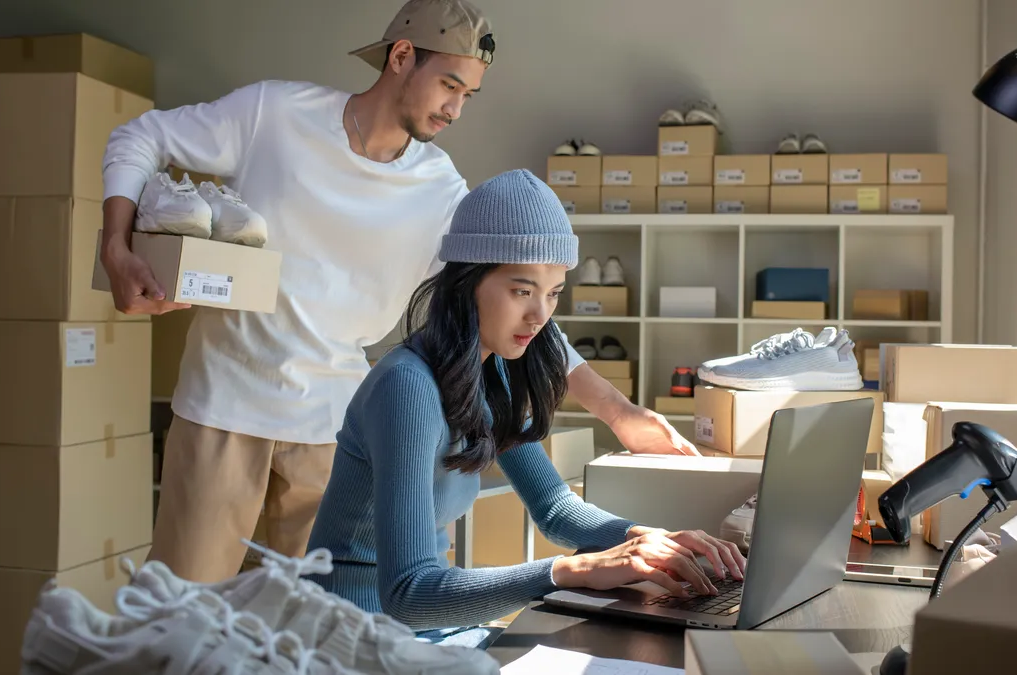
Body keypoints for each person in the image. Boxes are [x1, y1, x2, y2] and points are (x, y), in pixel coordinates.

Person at [99, 0, 698, 584]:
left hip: (333, 432)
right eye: (449, 85)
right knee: (177, 621)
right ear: (402, 56)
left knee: (307, 633)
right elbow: (138, 139)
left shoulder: (439, 190)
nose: (456, 109)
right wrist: (117, 249)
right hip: (224, 409)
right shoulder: (274, 114)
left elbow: (519, 302)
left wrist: (620, 413)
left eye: (468, 95)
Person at [305, 170, 745, 648]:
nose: (540, 315)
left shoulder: (489, 371)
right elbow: (408, 593)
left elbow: (555, 508)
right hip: (355, 635)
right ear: (466, 282)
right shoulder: (406, 387)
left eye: (553, 293)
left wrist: (647, 539)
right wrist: (570, 570)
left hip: (429, 629)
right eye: (522, 290)